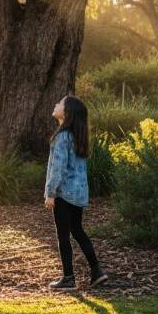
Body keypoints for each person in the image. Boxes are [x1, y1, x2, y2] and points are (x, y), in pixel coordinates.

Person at [44, 95, 108, 291]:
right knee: (78, 231)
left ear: (67, 112)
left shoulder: (62, 137)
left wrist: (50, 193)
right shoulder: (76, 136)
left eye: (60, 103)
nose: (56, 104)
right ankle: (97, 271)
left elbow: (58, 169)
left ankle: (68, 278)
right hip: (78, 195)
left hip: (63, 194)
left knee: (63, 236)